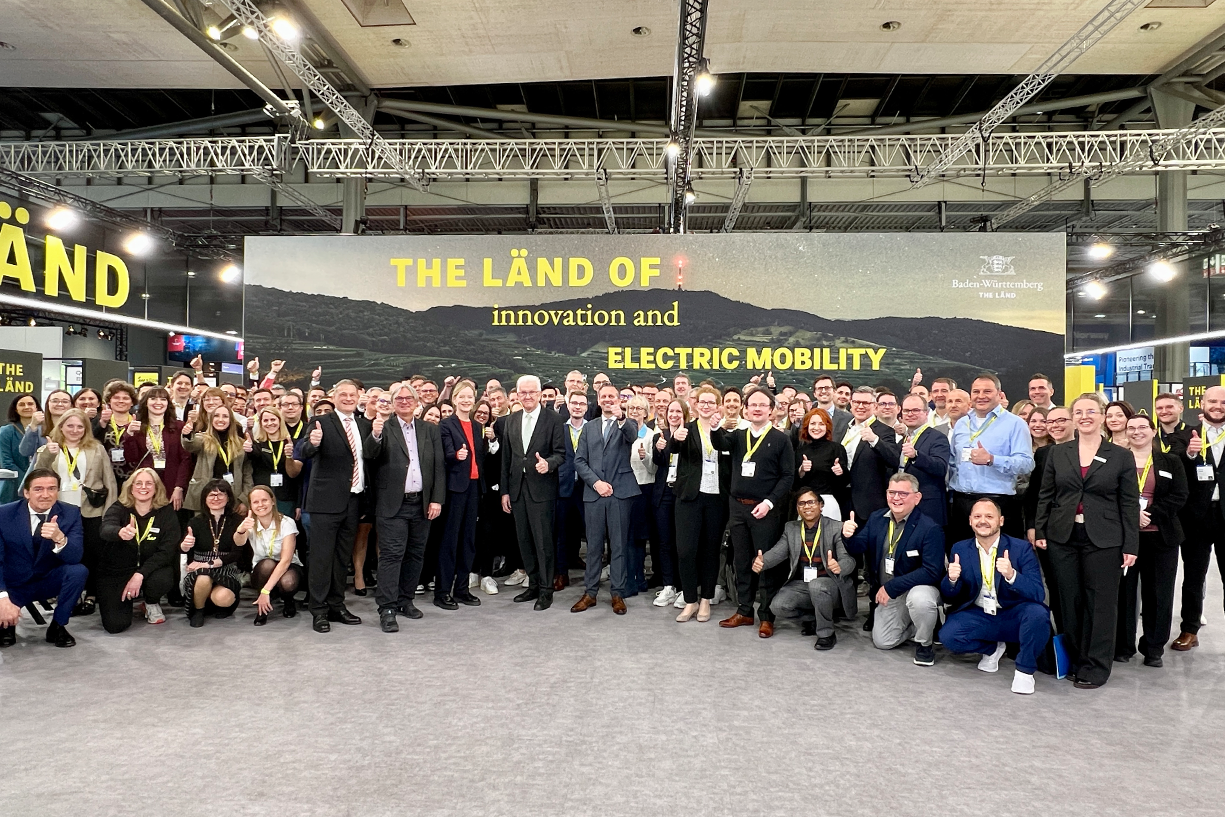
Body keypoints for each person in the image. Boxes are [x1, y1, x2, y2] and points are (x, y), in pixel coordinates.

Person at [1035, 393, 1138, 689]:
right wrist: (1040, 530)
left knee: (1101, 603)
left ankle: (1096, 665)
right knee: (1070, 600)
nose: (1084, 417)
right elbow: (1046, 494)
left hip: (1105, 538)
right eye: (1078, 412)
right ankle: (1077, 659)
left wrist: (1131, 545)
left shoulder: (1120, 455)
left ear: (1102, 416)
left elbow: (1129, 503)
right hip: (1063, 536)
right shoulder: (1059, 453)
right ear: (1073, 418)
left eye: (1091, 411)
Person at [939, 497, 1050, 695]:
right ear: (970, 521)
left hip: (1012, 613)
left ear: (1001, 521)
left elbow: (1038, 593)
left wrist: (1012, 575)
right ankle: (992, 649)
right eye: (977, 516)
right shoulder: (960, 548)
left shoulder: (1021, 548)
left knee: (1038, 614)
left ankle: (1024, 671)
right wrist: (952, 580)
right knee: (948, 636)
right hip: (980, 613)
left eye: (989, 516)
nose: (983, 521)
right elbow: (949, 595)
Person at [713, 385, 795, 637]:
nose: (757, 409)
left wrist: (769, 502)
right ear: (745, 410)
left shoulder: (781, 439)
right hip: (738, 508)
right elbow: (719, 444)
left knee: (765, 563)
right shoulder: (738, 435)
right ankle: (744, 610)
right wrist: (715, 427)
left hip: (766, 510)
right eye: (752, 405)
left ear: (771, 410)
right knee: (741, 561)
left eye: (762, 405)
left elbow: (788, 476)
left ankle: (767, 616)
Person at [364, 383, 445, 631]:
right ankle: (387, 607)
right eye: (398, 398)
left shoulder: (429, 430)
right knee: (391, 555)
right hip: (392, 504)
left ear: (417, 401)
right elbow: (369, 455)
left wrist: (436, 499)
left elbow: (438, 466)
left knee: (415, 554)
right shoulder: (382, 427)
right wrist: (375, 435)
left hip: (421, 502)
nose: (404, 401)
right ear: (392, 403)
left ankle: (405, 600)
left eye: (408, 397)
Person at [843, 473, 943, 664]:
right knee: (883, 641)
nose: (896, 498)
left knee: (920, 600)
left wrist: (892, 587)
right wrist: (848, 535)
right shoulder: (876, 518)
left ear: (917, 497)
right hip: (889, 593)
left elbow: (932, 571)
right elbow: (857, 547)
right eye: (892, 492)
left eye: (903, 493)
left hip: (916, 588)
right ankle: (921, 624)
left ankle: (924, 642)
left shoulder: (930, 528)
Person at [297, 379, 369, 632]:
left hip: (354, 500)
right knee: (321, 558)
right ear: (334, 397)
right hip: (325, 502)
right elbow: (305, 451)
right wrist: (314, 443)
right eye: (343, 395)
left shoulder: (364, 425)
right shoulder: (321, 422)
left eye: (352, 395)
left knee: (341, 558)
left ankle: (337, 605)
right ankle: (318, 610)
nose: (348, 399)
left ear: (358, 397)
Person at [1115, 414, 1187, 667]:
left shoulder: (1170, 461)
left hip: (1161, 537)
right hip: (1125, 538)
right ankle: (1123, 646)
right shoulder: (1117, 460)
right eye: (1131, 428)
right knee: (1124, 594)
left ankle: (1153, 648)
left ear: (1154, 431)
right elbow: (1108, 494)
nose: (1137, 432)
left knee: (1159, 594)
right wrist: (1131, 514)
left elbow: (1180, 495)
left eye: (1142, 427)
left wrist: (1149, 515)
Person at [33, 409, 117, 617]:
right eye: (70, 425)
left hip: (91, 510)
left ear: (86, 429)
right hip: (60, 510)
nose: (75, 430)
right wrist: (48, 454)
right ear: (61, 426)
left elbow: (110, 481)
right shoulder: (49, 448)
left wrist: (109, 514)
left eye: (80, 426)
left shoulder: (96, 448)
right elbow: (37, 476)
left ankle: (91, 595)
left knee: (92, 554)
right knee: (63, 553)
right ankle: (70, 593)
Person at [752, 490, 855, 649]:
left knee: (817, 586)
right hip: (802, 585)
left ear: (821, 505)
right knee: (778, 606)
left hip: (831, 584)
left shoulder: (836, 527)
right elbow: (777, 552)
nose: (807, 507)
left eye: (811, 502)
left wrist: (839, 566)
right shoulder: (791, 528)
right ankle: (814, 618)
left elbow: (849, 560)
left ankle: (826, 634)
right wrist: (761, 562)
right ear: (797, 508)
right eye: (802, 503)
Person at [572, 383, 640, 615]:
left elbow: (631, 436)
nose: (608, 400)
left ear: (619, 400)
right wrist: (596, 483)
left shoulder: (628, 423)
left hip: (620, 493)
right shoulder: (589, 427)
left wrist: (621, 417)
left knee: (618, 545)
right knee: (593, 546)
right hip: (594, 493)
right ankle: (590, 593)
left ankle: (617, 593)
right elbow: (579, 460)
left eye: (612, 396)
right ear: (598, 400)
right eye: (604, 396)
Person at [499, 375, 566, 610]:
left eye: (532, 392)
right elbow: (507, 458)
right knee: (525, 540)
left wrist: (549, 464)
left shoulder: (554, 419)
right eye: (523, 392)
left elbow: (561, 453)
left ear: (539, 394)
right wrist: (505, 491)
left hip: (542, 490)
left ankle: (546, 590)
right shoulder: (511, 420)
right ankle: (534, 584)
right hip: (517, 489)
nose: (527, 396)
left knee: (543, 541)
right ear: (517, 394)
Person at [0, 469, 86, 648]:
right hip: (13, 584)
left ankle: (58, 625)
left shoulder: (71, 513)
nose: (45, 495)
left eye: (51, 489)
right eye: (38, 489)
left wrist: (60, 538)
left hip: (47, 580)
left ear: (57, 491)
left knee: (78, 571)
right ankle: (7, 623)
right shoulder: (4, 514)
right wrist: (2, 597)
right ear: (26, 493)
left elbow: (75, 557)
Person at [947, 373, 1034, 545]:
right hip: (962, 502)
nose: (981, 396)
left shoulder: (1015, 424)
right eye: (976, 391)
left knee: (1002, 556)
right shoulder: (962, 423)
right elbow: (953, 462)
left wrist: (992, 459)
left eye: (987, 391)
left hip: (998, 501)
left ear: (999, 394)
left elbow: (1027, 464)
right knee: (962, 555)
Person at [1170, 385, 1225, 652]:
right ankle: (1189, 630)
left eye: (1223, 402)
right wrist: (1190, 454)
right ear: (1202, 404)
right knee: (1193, 577)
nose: (1218, 406)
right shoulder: (1185, 435)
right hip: (1195, 518)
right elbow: (1174, 467)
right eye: (1212, 401)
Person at [96, 468, 181, 631]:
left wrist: (140, 574)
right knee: (115, 625)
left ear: (156, 488)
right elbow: (105, 529)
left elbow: (167, 551)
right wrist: (119, 532)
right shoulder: (119, 507)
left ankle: (150, 602)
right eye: (138, 483)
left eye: (149, 483)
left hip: (150, 569)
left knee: (162, 579)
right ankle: (125, 601)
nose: (143, 487)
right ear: (131, 487)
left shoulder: (166, 512)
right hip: (119, 569)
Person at [438, 381, 485, 610]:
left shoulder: (477, 426)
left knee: (468, 540)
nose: (466, 400)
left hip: (474, 487)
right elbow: (445, 453)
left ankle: (462, 589)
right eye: (462, 396)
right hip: (455, 489)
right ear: (455, 399)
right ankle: (442, 592)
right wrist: (456, 455)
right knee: (450, 540)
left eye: (470, 396)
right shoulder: (446, 424)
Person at [181, 479, 251, 628]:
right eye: (211, 495)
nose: (216, 498)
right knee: (203, 577)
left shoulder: (238, 521)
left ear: (228, 498)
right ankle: (199, 610)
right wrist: (185, 546)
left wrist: (210, 564)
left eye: (221, 494)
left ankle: (212, 602)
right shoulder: (195, 522)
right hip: (199, 568)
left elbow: (237, 554)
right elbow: (185, 552)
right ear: (205, 499)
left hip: (227, 567)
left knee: (223, 598)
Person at [121, 388, 190, 512]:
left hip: (172, 483)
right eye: (153, 398)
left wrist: (179, 487)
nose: (158, 402)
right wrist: (130, 434)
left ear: (168, 403)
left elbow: (186, 459)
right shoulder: (135, 427)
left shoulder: (179, 427)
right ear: (145, 403)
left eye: (163, 399)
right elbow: (131, 458)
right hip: (145, 485)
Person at [844, 387, 902, 527]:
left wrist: (875, 440)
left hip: (869, 505)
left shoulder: (884, 431)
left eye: (866, 403)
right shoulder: (843, 428)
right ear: (851, 403)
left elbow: (894, 459)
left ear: (875, 406)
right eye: (856, 402)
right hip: (843, 499)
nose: (860, 406)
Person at [246, 484, 302, 625]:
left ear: (272, 501)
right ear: (251, 506)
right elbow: (238, 542)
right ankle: (262, 608)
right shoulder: (249, 524)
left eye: (264, 500)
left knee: (288, 581)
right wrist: (241, 530)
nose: (260, 505)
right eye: (256, 502)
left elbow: (285, 560)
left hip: (288, 566)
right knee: (267, 564)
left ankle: (288, 599)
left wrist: (266, 590)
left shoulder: (287, 522)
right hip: (262, 569)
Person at [182, 405, 252, 514]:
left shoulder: (241, 443)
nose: (220, 419)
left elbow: (247, 474)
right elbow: (190, 444)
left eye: (225, 416)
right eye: (216, 416)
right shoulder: (203, 439)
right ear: (211, 419)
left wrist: (244, 499)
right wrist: (187, 435)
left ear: (231, 420)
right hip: (205, 496)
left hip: (233, 497)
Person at [898, 393, 951, 529]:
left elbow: (940, 468)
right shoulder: (902, 439)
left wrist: (916, 456)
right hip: (903, 505)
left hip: (927, 507)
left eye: (915, 410)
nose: (910, 414)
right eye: (906, 410)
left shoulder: (937, 437)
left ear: (926, 413)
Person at [554, 391, 588, 590]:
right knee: (561, 533)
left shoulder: (592, 428)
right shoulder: (559, 428)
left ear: (586, 407)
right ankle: (561, 573)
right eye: (574, 403)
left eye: (581, 403)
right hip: (563, 487)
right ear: (568, 405)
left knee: (591, 533)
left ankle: (592, 575)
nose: (577, 406)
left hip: (587, 488)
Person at [245, 407, 303, 519]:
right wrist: (249, 449)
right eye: (265, 420)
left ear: (280, 421)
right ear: (261, 423)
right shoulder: (257, 445)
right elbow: (253, 456)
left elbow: (298, 477)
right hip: (262, 499)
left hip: (287, 498)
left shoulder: (292, 444)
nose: (269, 423)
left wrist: (299, 503)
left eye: (273, 419)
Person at [792, 408, 849, 521]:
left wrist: (840, 472)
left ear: (827, 427)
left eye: (821, 424)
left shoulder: (836, 449)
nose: (816, 427)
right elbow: (794, 484)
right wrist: (801, 471)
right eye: (813, 423)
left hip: (828, 504)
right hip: (805, 503)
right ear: (807, 426)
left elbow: (845, 482)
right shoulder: (800, 451)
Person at [626, 395, 656, 597]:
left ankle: (639, 578)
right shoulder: (621, 432)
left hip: (643, 489)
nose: (634, 411)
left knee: (638, 538)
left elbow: (653, 469)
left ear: (646, 413)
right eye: (631, 408)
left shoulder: (651, 435)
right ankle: (629, 578)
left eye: (639, 408)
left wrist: (645, 458)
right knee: (625, 537)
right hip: (623, 489)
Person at [1, 393, 41, 504]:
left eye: (30, 404)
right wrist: (28, 481)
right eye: (22, 404)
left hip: (41, 485)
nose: (26, 407)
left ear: (36, 407)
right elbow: (6, 462)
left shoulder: (44, 430)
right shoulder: (6, 432)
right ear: (15, 409)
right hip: (14, 487)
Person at [97, 382, 138, 485]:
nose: (121, 401)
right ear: (109, 401)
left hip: (133, 474)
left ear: (132, 402)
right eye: (116, 397)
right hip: (105, 474)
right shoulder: (100, 420)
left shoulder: (138, 422)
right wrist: (102, 423)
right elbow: (94, 442)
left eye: (125, 398)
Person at [18, 389, 72, 467]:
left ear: (71, 405)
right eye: (55, 401)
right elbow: (25, 451)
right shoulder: (39, 427)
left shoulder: (77, 427)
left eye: (65, 401)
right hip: (42, 471)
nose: (60, 404)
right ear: (47, 404)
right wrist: (33, 426)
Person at [812, 375, 851, 440]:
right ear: (814, 394)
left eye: (827, 388)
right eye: (820, 388)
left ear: (834, 391)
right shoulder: (806, 418)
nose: (824, 391)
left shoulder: (848, 419)